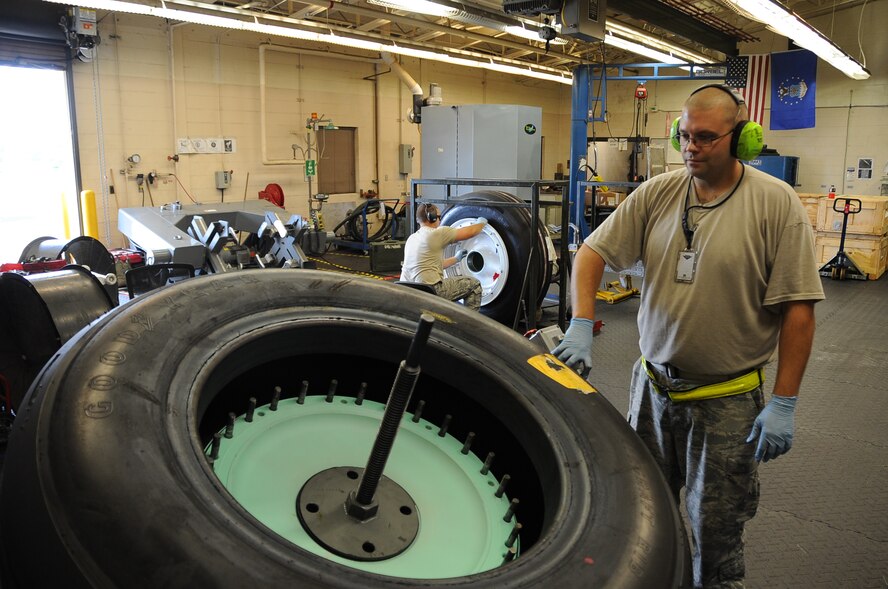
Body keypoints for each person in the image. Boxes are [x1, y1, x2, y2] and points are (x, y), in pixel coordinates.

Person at [554, 84, 824, 588]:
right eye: (684, 135)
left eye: (704, 137)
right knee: (638, 516)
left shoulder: (775, 205)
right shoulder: (658, 192)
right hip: (652, 392)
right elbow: (591, 253)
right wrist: (580, 322)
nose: (690, 148)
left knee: (715, 536)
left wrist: (785, 401)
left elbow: (799, 311)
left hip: (725, 404)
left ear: (741, 139)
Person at [400, 203, 487, 310]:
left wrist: (456, 259)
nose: (440, 220)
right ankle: (468, 325)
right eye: (439, 217)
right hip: (430, 290)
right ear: (432, 217)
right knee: (474, 285)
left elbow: (434, 265)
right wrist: (482, 223)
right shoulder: (437, 233)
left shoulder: (412, 238)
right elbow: (471, 232)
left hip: (408, 290)